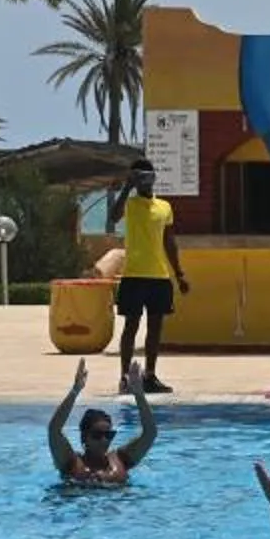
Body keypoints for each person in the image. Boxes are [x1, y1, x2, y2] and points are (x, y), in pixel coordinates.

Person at [108, 164, 187, 393]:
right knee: (131, 325)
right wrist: (126, 187)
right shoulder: (130, 205)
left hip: (159, 276)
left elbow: (169, 242)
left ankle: (150, 376)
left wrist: (179, 274)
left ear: (153, 177)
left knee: (155, 328)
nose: (143, 179)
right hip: (133, 275)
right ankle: (125, 377)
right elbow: (114, 217)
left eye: (145, 175)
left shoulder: (164, 207)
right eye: (137, 175)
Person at [46, 357, 159, 486]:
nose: (104, 440)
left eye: (109, 435)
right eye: (97, 435)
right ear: (84, 437)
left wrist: (139, 394)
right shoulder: (70, 462)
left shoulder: (121, 459)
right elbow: (54, 430)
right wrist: (75, 391)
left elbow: (150, 433)